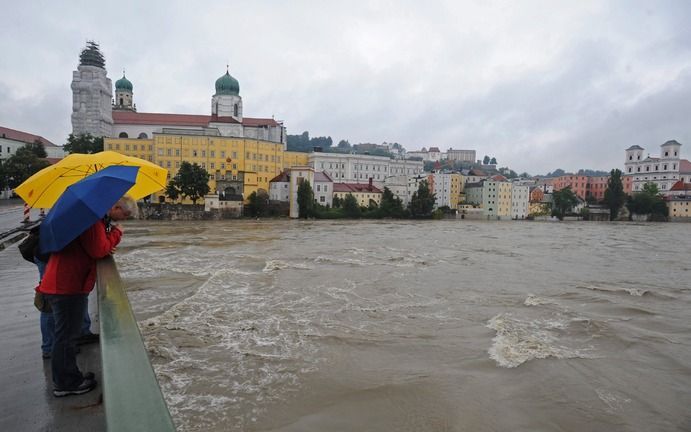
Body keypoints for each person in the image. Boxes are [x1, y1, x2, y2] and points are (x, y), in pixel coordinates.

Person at [38, 195, 137, 397]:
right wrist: (116, 234)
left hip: (67, 282)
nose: (123, 219)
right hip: (67, 284)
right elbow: (98, 250)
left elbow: (97, 245)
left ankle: (72, 376)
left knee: (67, 335)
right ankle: (65, 384)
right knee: (65, 337)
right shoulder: (92, 220)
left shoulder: (93, 218)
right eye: (124, 214)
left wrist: (109, 233)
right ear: (115, 206)